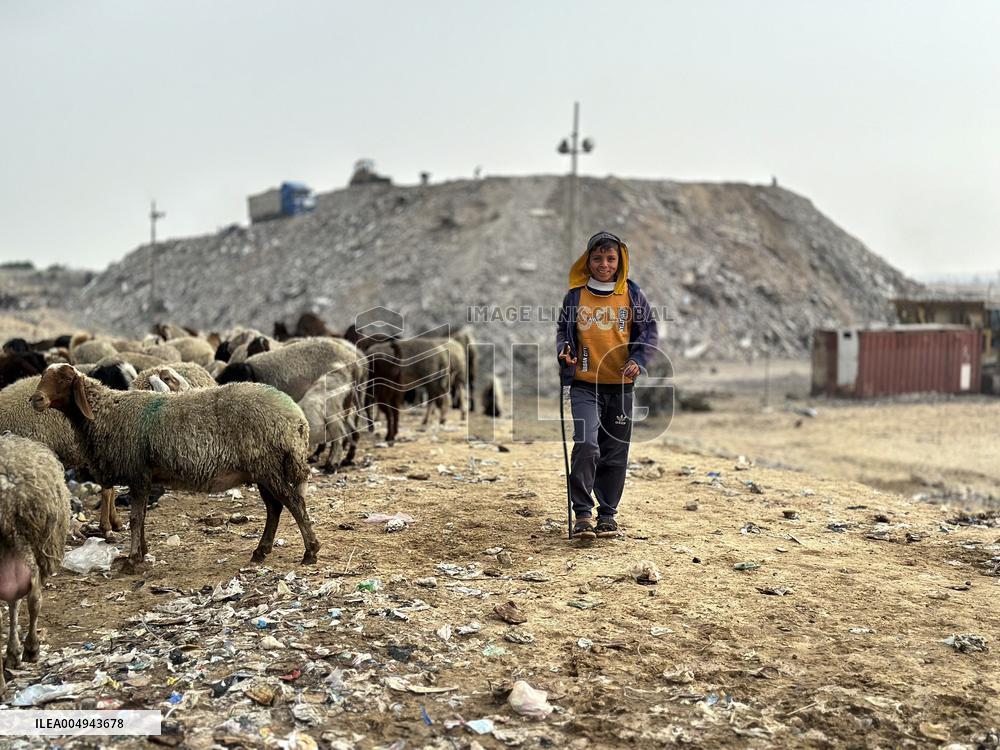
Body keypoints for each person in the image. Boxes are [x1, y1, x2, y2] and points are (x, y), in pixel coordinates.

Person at [556, 231, 658, 540]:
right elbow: (564, 332)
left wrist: (639, 359)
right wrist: (565, 352)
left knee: (614, 452)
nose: (604, 264)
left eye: (611, 259)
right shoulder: (575, 296)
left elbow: (648, 332)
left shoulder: (632, 294)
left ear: (620, 261)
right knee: (587, 444)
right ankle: (583, 514)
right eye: (598, 258)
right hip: (585, 385)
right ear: (587, 260)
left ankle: (607, 515)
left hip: (620, 386)